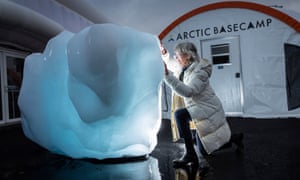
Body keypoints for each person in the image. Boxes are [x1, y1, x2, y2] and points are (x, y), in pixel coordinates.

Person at [160, 42, 243, 168]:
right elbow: (173, 64)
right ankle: (234, 138)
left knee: (180, 115)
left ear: (187, 56)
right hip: (198, 107)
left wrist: (167, 77)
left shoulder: (199, 72)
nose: (176, 58)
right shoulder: (185, 67)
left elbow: (189, 92)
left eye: (178, 55)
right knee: (205, 150)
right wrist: (164, 54)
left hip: (207, 108)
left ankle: (190, 154)